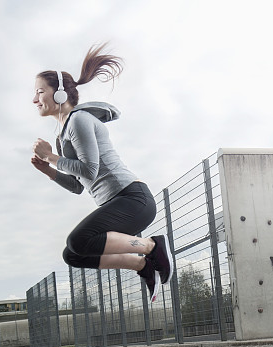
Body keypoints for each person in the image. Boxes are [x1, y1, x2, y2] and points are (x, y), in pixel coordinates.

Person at [30, 44, 173, 302]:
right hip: (119, 203)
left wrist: (51, 157)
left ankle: (153, 246)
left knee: (78, 240)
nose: (34, 99)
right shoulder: (63, 135)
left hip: (133, 199)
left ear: (60, 94)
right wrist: (48, 169)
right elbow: (78, 186)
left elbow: (90, 169)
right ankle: (143, 266)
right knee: (73, 254)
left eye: (40, 92)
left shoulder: (79, 120)